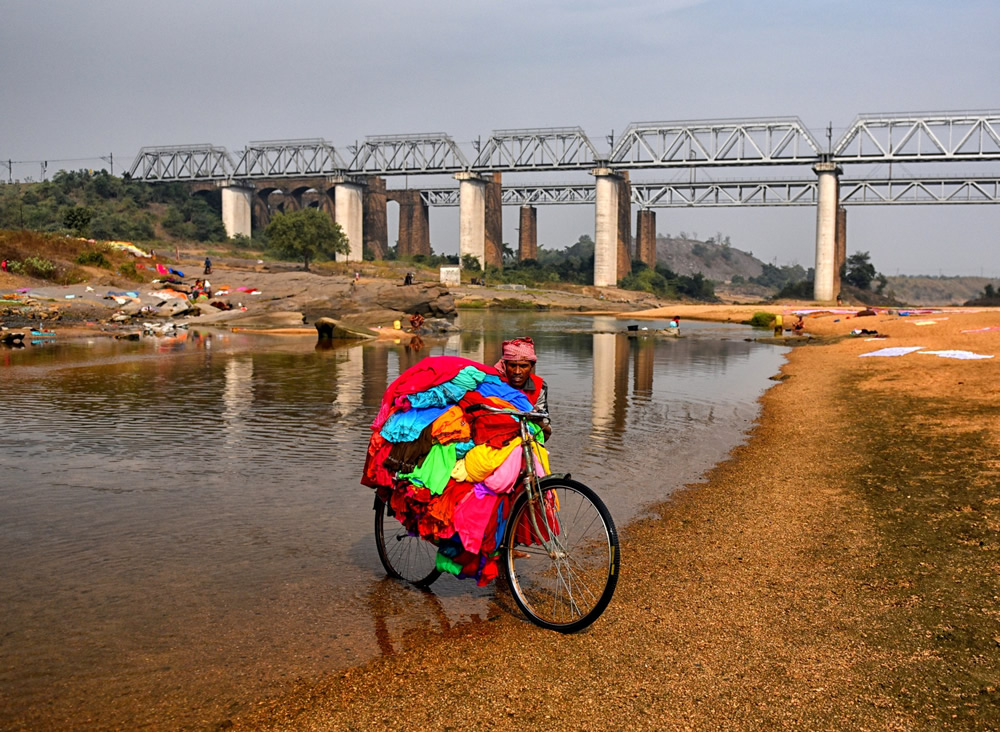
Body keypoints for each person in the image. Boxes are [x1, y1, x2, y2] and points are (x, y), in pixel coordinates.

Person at [494, 336, 551, 440]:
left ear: (531, 366)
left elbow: (546, 431)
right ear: (505, 365)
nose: (517, 372)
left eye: (523, 366)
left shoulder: (540, 387)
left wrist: (537, 419)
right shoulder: (494, 383)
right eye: (512, 365)